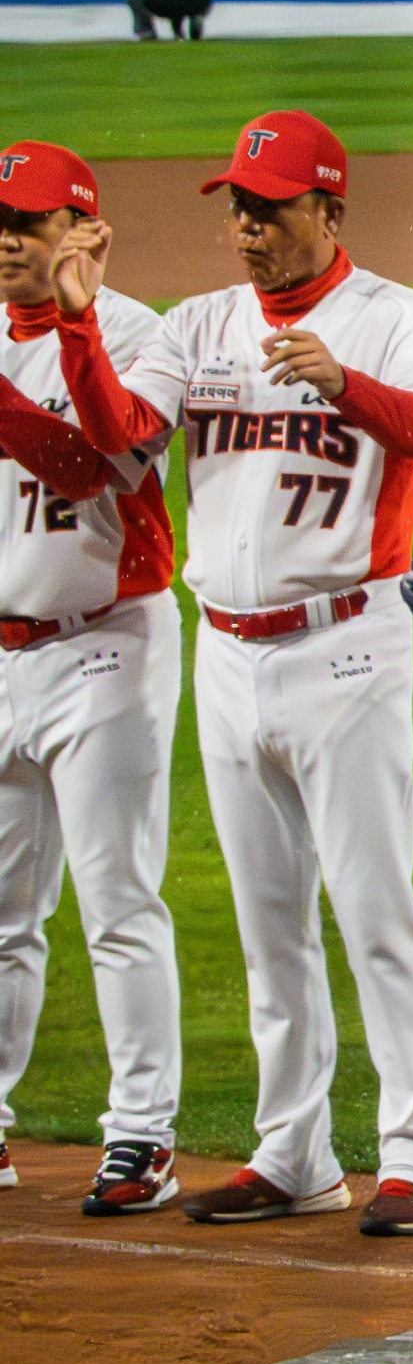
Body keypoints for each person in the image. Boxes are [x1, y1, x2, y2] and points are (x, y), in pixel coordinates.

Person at [57, 110, 413, 1238]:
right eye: (238, 207)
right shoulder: (196, 325)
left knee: (375, 910)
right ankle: (294, 1153)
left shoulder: (395, 316)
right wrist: (82, 325)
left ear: (329, 209)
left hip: (347, 647)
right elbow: (120, 438)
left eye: (271, 208)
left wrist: (345, 383)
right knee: (268, 918)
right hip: (229, 653)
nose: (248, 228)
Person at [0, 143, 184, 1220]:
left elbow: (96, 462)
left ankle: (142, 1133)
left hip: (104, 645)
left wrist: (66, 333)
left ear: (82, 231)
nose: (6, 242)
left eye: (26, 223)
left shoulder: (142, 336)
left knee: (117, 900)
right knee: (3, 916)